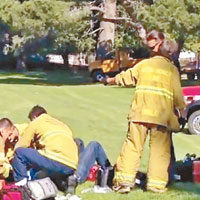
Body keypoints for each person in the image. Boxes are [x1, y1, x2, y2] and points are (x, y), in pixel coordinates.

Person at [102, 39, 186, 193]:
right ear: (172, 54)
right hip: (161, 117)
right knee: (160, 152)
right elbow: (178, 97)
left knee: (133, 147)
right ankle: (156, 185)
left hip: (140, 113)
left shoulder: (144, 65)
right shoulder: (172, 70)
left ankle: (124, 182)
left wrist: (109, 80)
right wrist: (182, 112)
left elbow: (125, 77)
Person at [12, 105, 79, 187]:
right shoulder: (62, 124)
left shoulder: (37, 122)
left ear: (35, 116)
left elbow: (21, 146)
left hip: (54, 160)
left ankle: (22, 185)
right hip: (71, 166)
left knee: (20, 153)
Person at [0, 118, 27, 185]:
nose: (9, 138)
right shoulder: (3, 142)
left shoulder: (26, 129)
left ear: (13, 128)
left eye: (10, 134)